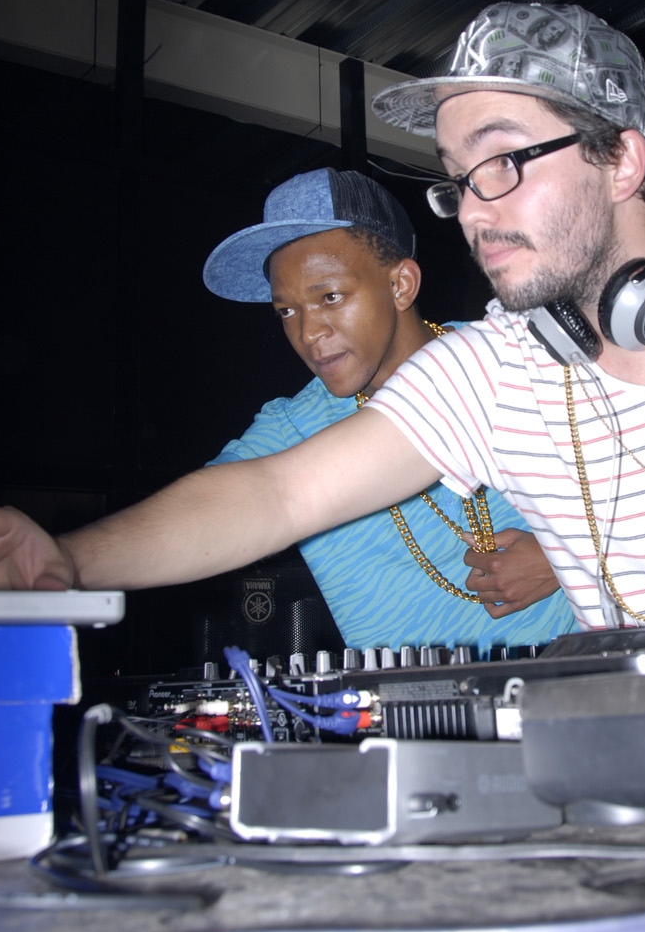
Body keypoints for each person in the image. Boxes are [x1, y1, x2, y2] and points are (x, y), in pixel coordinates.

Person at [0, 2, 645, 633]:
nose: (473, 210)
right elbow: (277, 492)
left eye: (501, 160)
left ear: (620, 159)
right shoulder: (499, 366)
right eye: (457, 178)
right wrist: (66, 558)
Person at [200, 167, 576, 653]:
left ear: (400, 285)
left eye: (330, 296)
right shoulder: (293, 428)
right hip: (409, 702)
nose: (307, 333)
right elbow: (202, 512)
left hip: (591, 675)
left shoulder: (516, 357)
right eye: (287, 311)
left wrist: (564, 558)